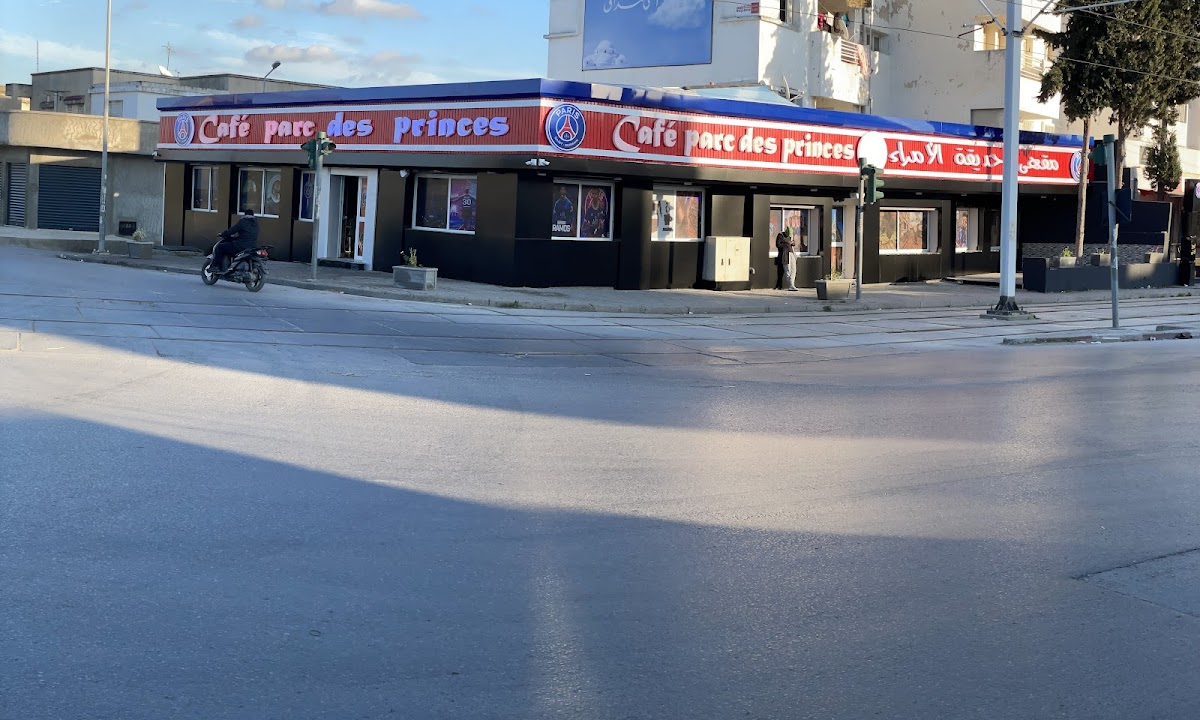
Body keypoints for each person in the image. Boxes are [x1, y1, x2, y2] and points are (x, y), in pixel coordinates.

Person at [212, 208, 259, 274]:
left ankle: (216, 266)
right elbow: (247, 235)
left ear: (245, 215)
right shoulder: (256, 224)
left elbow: (232, 230)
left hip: (241, 246)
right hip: (252, 247)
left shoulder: (243, 221)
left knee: (220, 247)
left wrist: (223, 234)